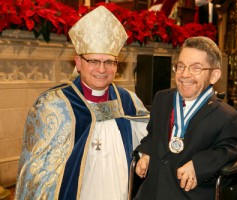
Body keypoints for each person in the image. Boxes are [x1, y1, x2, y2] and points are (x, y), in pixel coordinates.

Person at [15, 6, 149, 200]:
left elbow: (150, 135)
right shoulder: (54, 105)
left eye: (109, 62)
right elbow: (37, 172)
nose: (102, 69)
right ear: (78, 62)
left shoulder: (128, 100)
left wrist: (147, 154)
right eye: (94, 61)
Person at [134, 36, 237, 199]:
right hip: (151, 191)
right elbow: (153, 135)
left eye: (196, 68)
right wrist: (146, 154)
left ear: (214, 75)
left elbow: (228, 151)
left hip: (188, 194)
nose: (185, 74)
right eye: (180, 66)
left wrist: (197, 166)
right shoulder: (162, 99)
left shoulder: (226, 116)